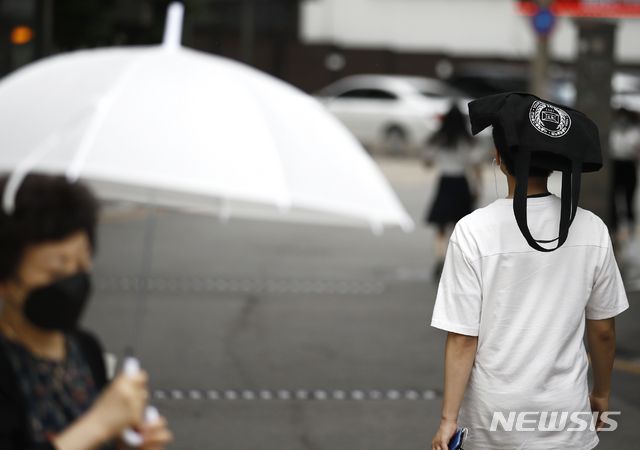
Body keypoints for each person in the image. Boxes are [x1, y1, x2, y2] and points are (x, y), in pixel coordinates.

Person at [429, 93, 629, 450]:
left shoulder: (472, 231)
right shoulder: (592, 228)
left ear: (499, 158)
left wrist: (448, 420)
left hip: (493, 417)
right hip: (565, 412)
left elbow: (462, 338)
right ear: (552, 162)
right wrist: (601, 392)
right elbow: (603, 330)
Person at [0, 173, 173, 450]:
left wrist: (127, 442)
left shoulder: (86, 348)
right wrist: (100, 423)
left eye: (82, 266)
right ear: (6, 281)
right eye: (55, 274)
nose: (72, 283)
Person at [423, 105, 484, 278]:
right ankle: (456, 261)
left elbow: (427, 162)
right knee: (460, 225)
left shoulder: (439, 139)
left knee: (440, 226)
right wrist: (478, 187)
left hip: (444, 182)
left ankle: (439, 257)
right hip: (461, 183)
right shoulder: (467, 141)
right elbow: (476, 165)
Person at [609, 107, 640, 242]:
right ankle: (614, 225)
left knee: (629, 195)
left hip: (628, 165)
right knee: (613, 195)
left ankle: (630, 224)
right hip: (615, 164)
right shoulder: (613, 130)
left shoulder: (634, 131)